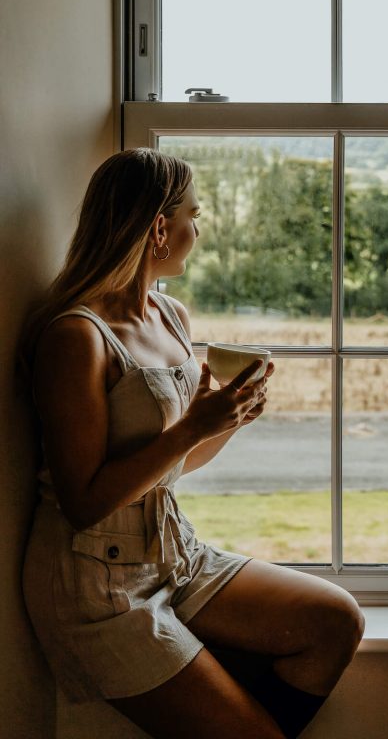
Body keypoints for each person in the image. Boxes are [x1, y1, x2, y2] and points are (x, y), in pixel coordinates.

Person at [22, 148, 364, 739]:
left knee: (334, 620)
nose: (196, 231)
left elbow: (173, 465)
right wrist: (193, 426)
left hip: (174, 556)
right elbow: (82, 502)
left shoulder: (171, 315)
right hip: (97, 586)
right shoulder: (77, 336)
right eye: (192, 214)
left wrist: (230, 418)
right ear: (158, 226)